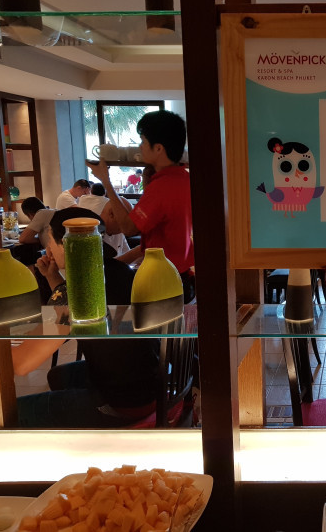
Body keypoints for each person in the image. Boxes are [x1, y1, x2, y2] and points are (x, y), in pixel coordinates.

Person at [14, 207, 160, 428]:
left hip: (122, 403)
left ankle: (93, 424)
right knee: (56, 376)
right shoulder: (121, 271)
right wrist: (53, 277)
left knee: (15, 411)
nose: (47, 249)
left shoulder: (79, 291)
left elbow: (22, 364)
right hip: (150, 384)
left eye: (50, 242)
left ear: (66, 244)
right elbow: (72, 314)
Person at [88, 111, 195, 303]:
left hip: (162, 280)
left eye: (143, 141)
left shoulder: (161, 187)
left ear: (158, 148)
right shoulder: (184, 178)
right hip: (182, 275)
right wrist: (148, 181)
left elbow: (128, 228)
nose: (140, 147)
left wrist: (106, 181)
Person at [78, 183, 132, 257]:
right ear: (111, 214)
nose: (125, 228)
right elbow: (105, 262)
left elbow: (127, 252)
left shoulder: (118, 232)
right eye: (124, 222)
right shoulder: (91, 233)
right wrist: (137, 252)